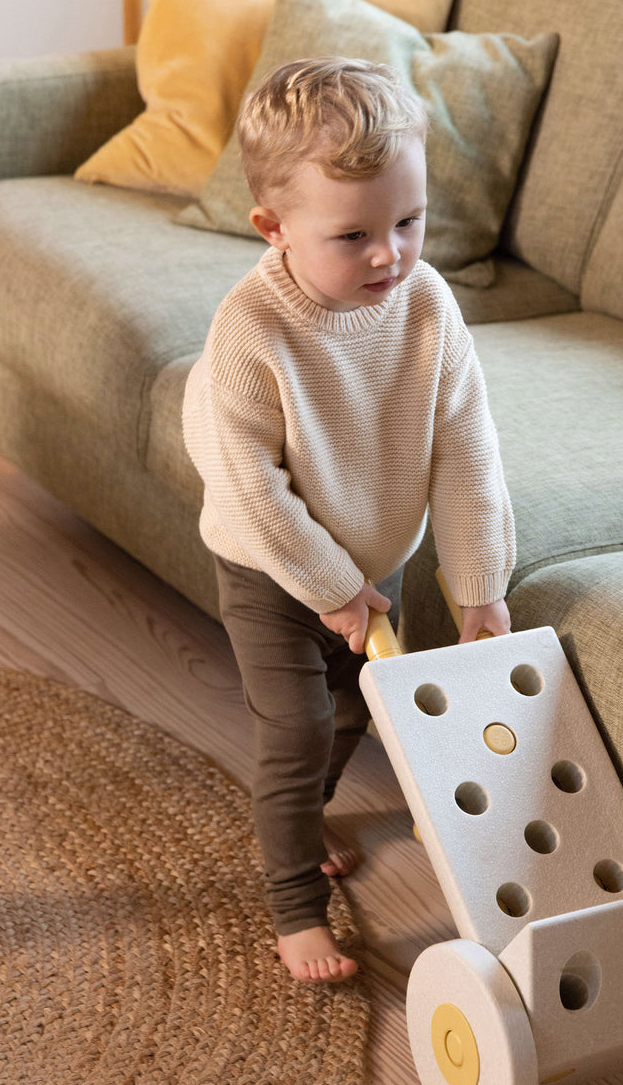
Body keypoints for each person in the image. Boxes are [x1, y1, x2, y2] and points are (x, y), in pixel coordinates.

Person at [183, 56, 516, 983]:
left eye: (410, 222)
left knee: (357, 712)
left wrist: (481, 587)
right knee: (295, 727)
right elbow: (248, 483)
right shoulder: (252, 329)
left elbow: (466, 450)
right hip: (273, 569)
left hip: (379, 557)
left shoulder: (427, 307)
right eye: (354, 234)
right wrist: (331, 589)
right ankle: (295, 904)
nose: (390, 254)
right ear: (273, 228)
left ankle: (305, 812)